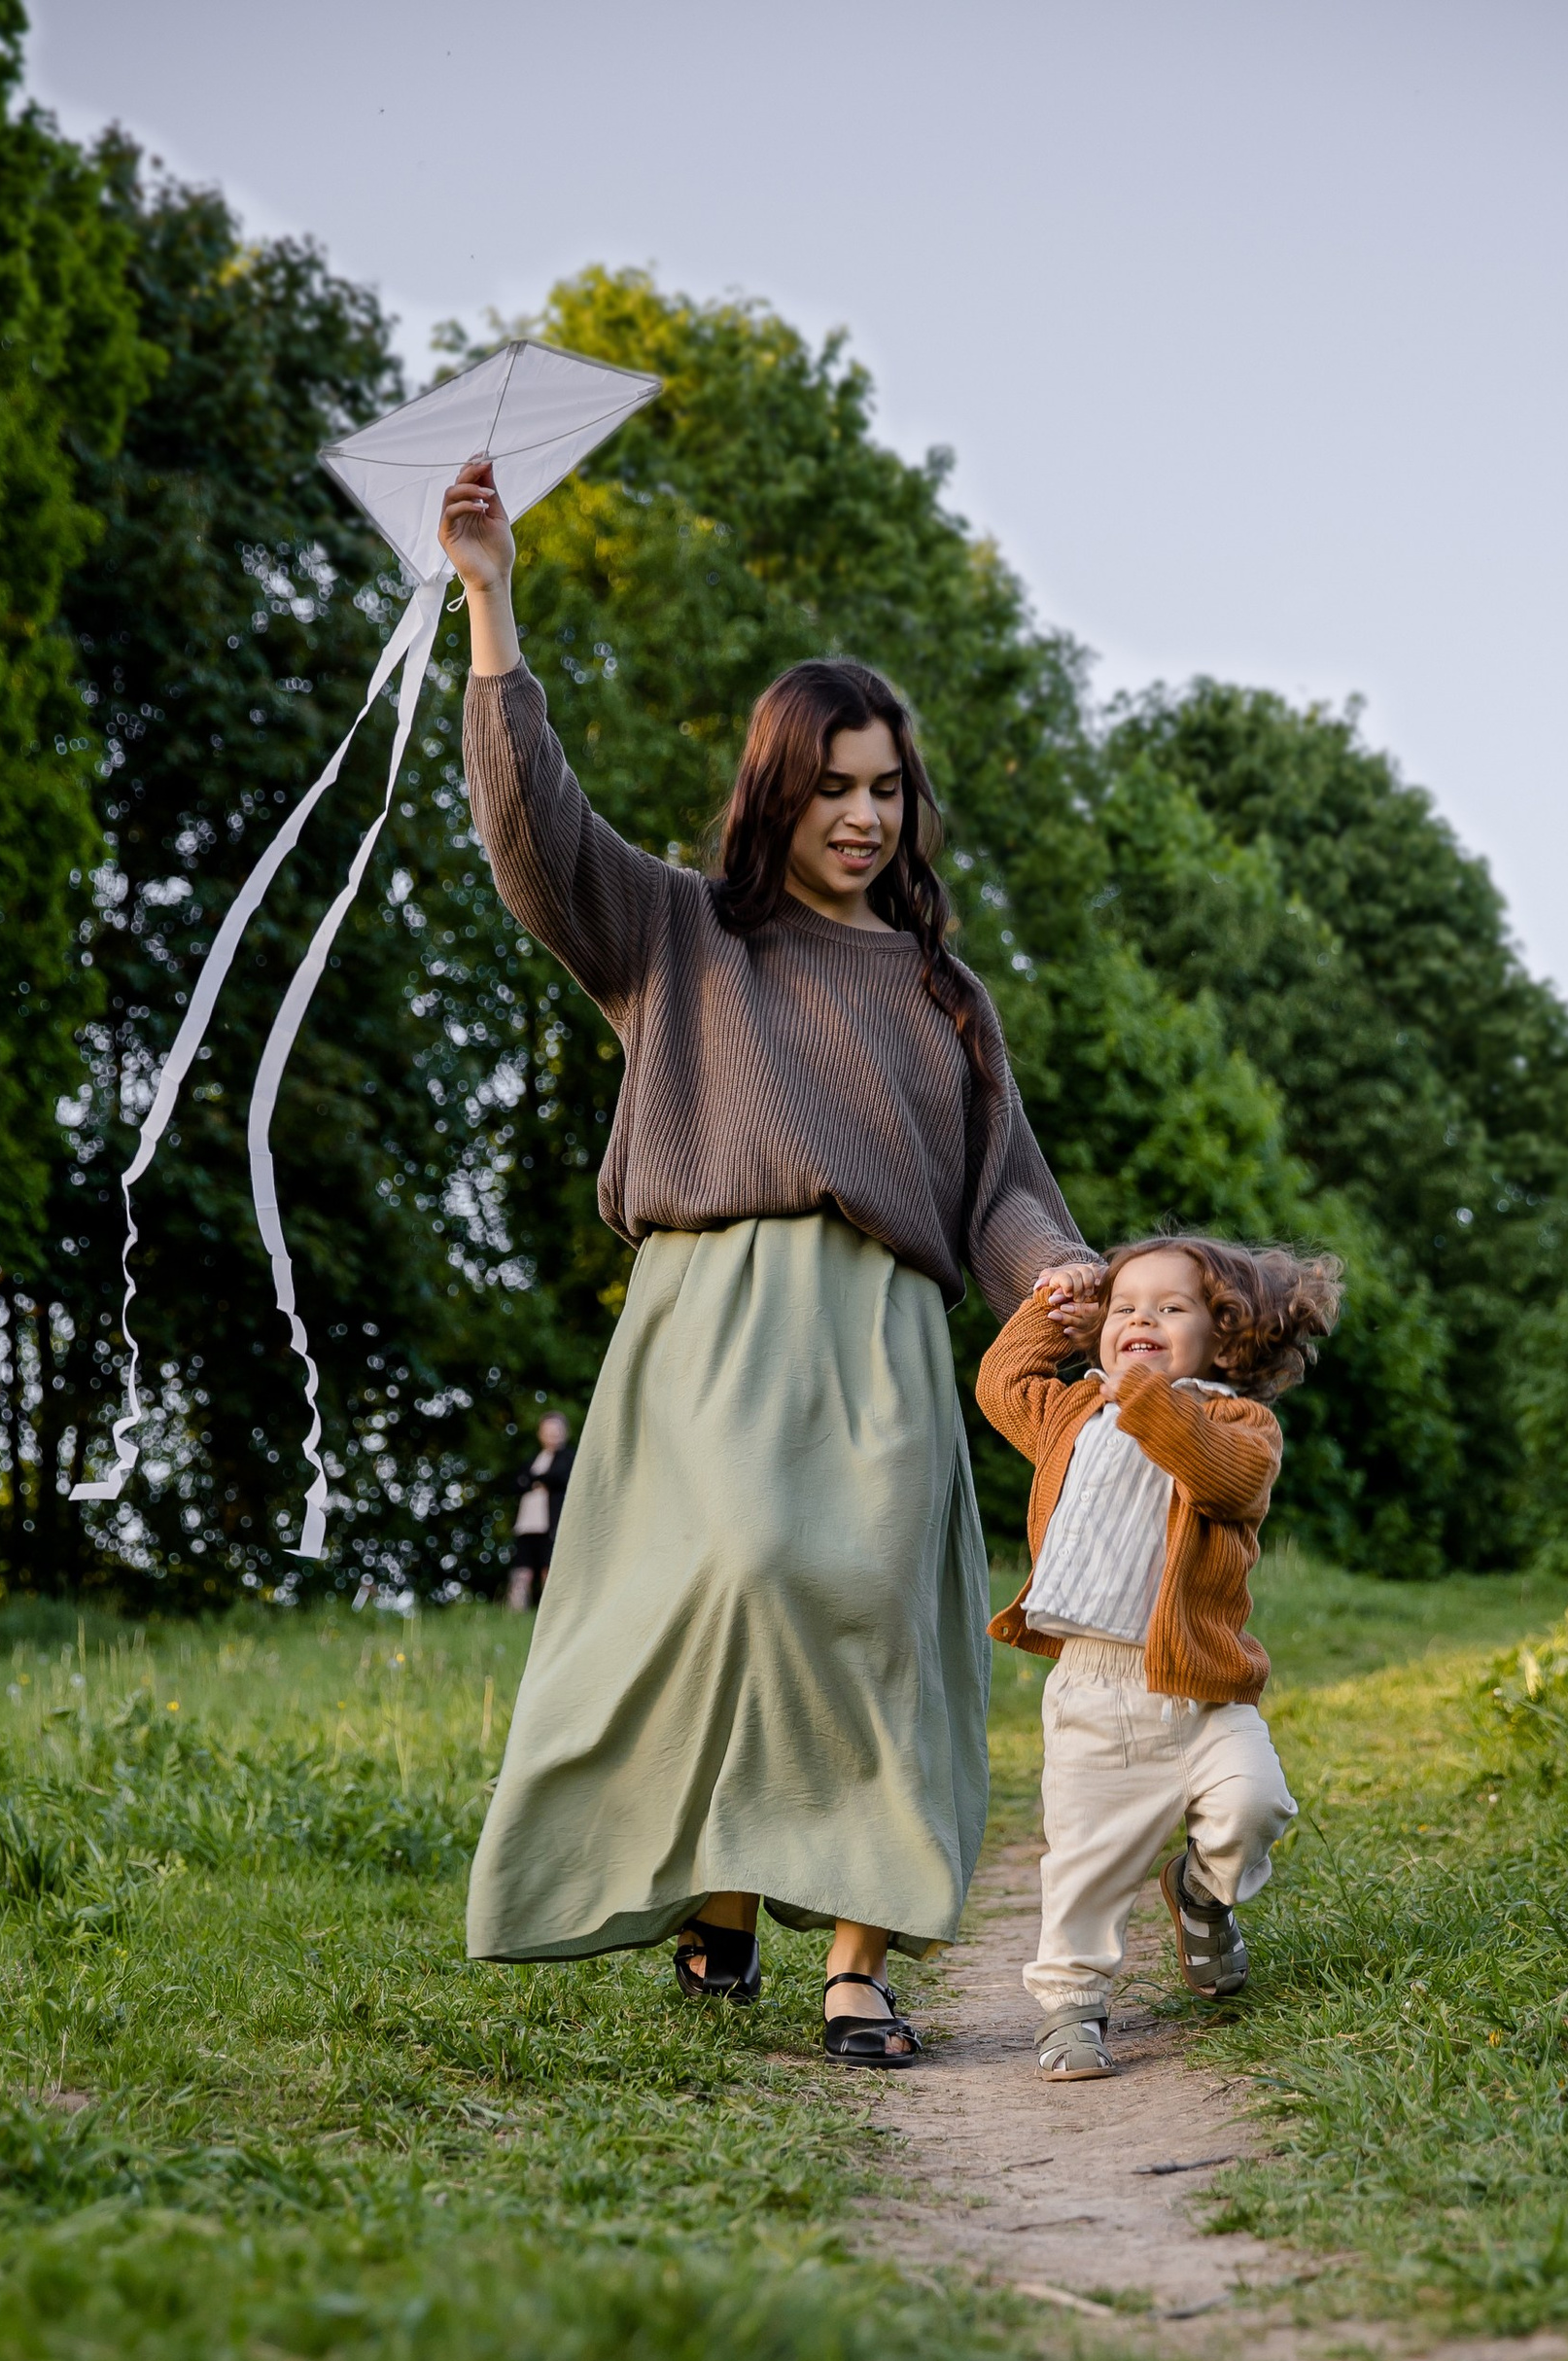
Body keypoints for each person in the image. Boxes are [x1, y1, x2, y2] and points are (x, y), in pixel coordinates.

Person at [437, 448, 1098, 2065]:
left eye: (887, 788)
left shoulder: (949, 995)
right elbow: (535, 844)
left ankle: (857, 1967)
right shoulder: (676, 932)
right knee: (734, 1583)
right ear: (777, 789)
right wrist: (490, 609)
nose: (864, 816)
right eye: (834, 786)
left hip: (879, 1338)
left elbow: (1000, 1190)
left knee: (871, 1611)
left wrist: (1069, 1285)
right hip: (711, 1329)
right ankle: (717, 1897)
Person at [977, 1235, 1342, 2080]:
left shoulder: (1239, 1423)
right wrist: (1046, 1316)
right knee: (1086, 1859)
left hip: (1206, 1688)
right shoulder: (1074, 1413)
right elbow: (1001, 1386)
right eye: (1124, 1304)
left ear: (1224, 1333)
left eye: (1169, 1308)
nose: (1140, 1317)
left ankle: (1204, 1894)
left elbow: (1222, 1479)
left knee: (1256, 1804)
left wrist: (1145, 1389)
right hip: (1095, 1689)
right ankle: (1072, 2005)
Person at [505, 1410, 574, 1613]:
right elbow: (517, 1484)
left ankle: (550, 1611)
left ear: (564, 1433)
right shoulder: (533, 1459)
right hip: (527, 1524)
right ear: (540, 1433)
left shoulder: (569, 1457)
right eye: (548, 1431)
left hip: (551, 1523)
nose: (553, 1435)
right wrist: (538, 1480)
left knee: (549, 1568)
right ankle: (516, 1611)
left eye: (556, 1431)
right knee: (522, 1569)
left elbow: (560, 1478)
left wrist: (536, 1480)